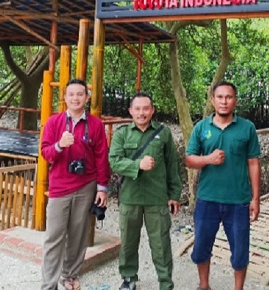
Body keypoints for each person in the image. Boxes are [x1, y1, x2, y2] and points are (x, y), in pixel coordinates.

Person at [185, 81, 261, 290]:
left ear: (235, 101)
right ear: (213, 100)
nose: (224, 101)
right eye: (220, 97)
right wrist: (208, 159)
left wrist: (255, 198)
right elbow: (189, 159)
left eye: (228, 97)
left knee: (240, 250)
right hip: (207, 199)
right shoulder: (202, 127)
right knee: (201, 247)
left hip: (238, 200)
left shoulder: (247, 128)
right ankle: (204, 285)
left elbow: (253, 163)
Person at [40, 78, 110, 290]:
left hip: (86, 185)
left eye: (80, 94)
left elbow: (102, 157)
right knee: (54, 236)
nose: (75, 98)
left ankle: (69, 275)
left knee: (78, 235)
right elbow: (45, 153)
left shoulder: (96, 124)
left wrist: (102, 187)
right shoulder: (54, 122)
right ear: (64, 97)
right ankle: (49, 284)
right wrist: (59, 145)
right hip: (59, 187)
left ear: (87, 97)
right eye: (71, 94)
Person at [109, 92, 182, 290]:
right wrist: (138, 165)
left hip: (156, 197)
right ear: (130, 111)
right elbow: (114, 161)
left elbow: (172, 166)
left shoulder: (163, 133)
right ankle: (129, 278)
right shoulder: (122, 133)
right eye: (137, 109)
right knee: (128, 242)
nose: (141, 113)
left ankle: (165, 282)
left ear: (152, 110)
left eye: (146, 109)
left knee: (161, 243)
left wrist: (174, 195)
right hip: (130, 197)